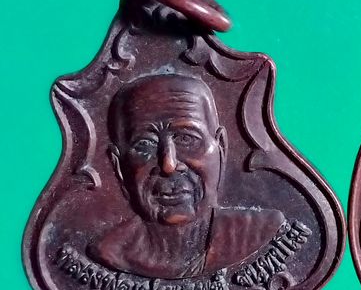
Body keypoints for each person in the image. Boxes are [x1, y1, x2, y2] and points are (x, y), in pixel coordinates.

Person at [87, 74, 285, 279]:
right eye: (145, 144)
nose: (168, 164)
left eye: (186, 138)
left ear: (221, 149)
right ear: (119, 167)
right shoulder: (110, 252)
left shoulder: (260, 233)